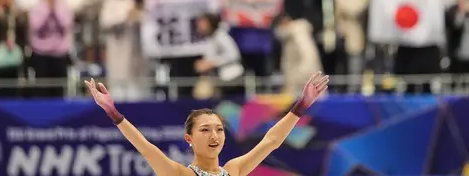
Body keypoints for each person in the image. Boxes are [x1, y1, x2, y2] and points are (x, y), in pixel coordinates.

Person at [85, 72, 329, 176]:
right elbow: (145, 147)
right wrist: (113, 112)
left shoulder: (234, 170)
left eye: (219, 129)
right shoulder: (179, 173)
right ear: (188, 139)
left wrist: (301, 106)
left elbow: (272, 140)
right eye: (205, 130)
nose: (215, 135)